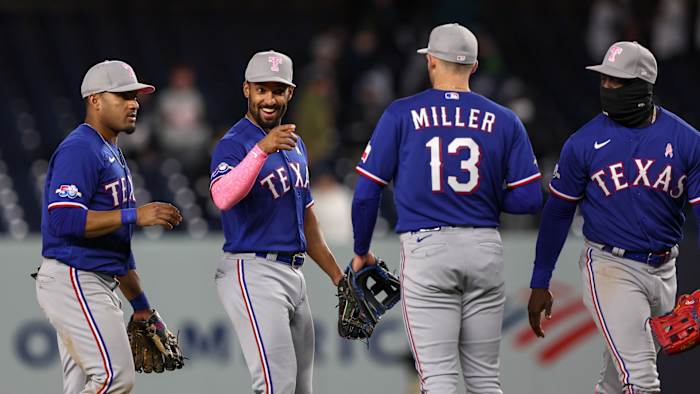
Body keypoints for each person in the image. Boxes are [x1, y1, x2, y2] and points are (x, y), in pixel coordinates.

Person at [351, 23, 542, 393]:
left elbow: (365, 194)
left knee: (438, 379)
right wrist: (483, 197)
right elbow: (531, 198)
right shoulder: (504, 119)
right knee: (485, 379)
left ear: (431, 62)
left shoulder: (401, 114)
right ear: (473, 66)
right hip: (485, 246)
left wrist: (361, 251)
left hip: (429, 249)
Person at [527, 41, 700, 393]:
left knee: (614, 380)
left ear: (644, 86)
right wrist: (540, 280)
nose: (607, 88)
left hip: (666, 268)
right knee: (642, 379)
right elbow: (558, 211)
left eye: (617, 82)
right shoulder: (583, 143)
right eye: (605, 80)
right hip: (610, 266)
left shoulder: (686, 140)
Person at [36, 60, 183, 393]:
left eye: (135, 96)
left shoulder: (111, 152)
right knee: (115, 378)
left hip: (93, 279)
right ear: (96, 100)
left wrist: (141, 305)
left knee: (84, 386)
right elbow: (64, 220)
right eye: (122, 96)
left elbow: (117, 247)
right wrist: (134, 215)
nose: (133, 104)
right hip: (75, 277)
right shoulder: (80, 149)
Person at [209, 50, 343, 394]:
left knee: (300, 389)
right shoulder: (234, 143)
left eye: (278, 90)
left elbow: (307, 220)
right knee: (275, 385)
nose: (269, 99)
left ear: (290, 93)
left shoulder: (295, 146)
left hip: (294, 275)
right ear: (246, 90)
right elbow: (223, 197)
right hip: (253, 269)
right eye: (261, 90)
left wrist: (338, 277)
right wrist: (260, 150)